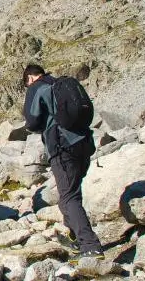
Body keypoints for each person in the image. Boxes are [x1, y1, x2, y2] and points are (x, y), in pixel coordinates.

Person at [22, 64, 104, 259]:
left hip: (62, 146)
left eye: (26, 84)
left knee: (69, 197)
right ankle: (77, 237)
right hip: (84, 143)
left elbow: (32, 121)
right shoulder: (62, 85)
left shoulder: (37, 88)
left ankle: (90, 246)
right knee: (70, 194)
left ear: (30, 78)